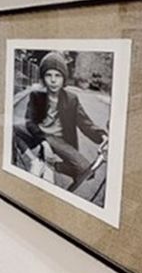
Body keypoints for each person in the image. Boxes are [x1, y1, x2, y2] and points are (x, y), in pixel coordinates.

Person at [14, 51, 107, 184]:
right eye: (48, 75)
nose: (53, 80)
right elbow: (30, 122)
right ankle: (34, 161)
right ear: (43, 77)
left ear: (64, 78)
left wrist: (102, 136)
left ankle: (51, 165)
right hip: (40, 134)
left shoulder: (71, 99)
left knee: (86, 170)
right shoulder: (37, 96)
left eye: (58, 75)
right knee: (12, 128)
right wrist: (44, 142)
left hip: (59, 140)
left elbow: (85, 123)